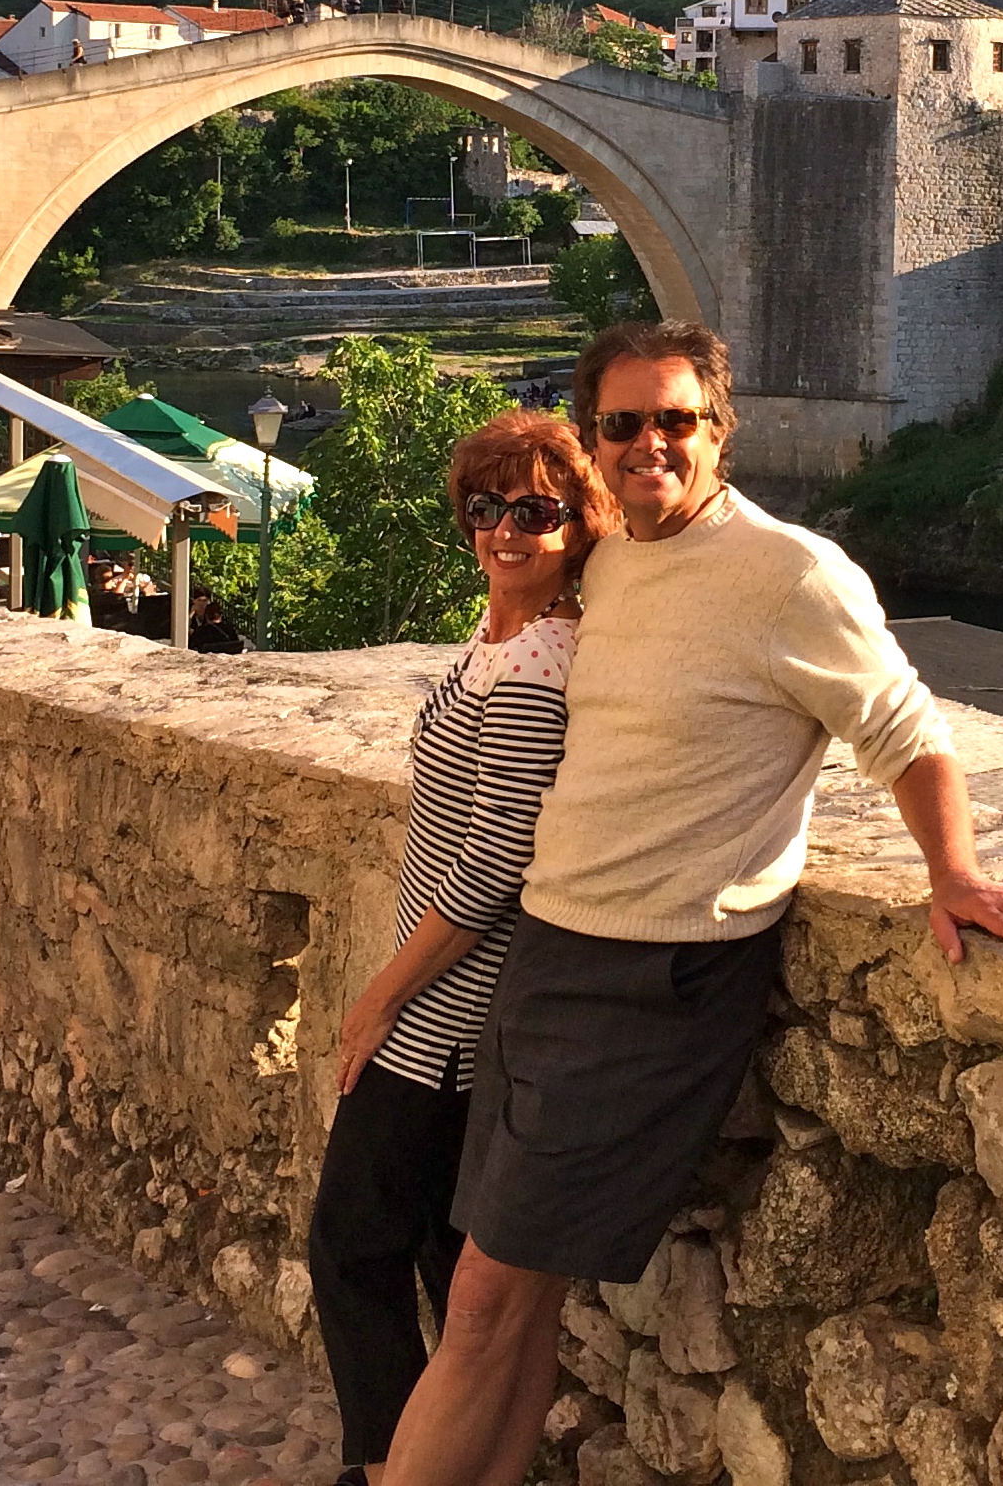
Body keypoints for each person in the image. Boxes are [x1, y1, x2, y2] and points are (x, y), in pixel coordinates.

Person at [382, 320, 1003, 1486]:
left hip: (654, 974)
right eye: (620, 423)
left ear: (719, 430)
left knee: (484, 1290)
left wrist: (949, 871)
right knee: (519, 1296)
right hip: (548, 951)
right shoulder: (603, 561)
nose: (647, 443)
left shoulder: (789, 573)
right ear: (593, 436)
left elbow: (906, 732)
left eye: (673, 420)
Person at [309, 411, 620, 1486]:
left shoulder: (537, 661)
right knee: (443, 1263)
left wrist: (378, 998)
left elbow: (494, 864)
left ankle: (386, 1468)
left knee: (352, 1246)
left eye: (535, 511)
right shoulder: (500, 635)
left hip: (443, 1021)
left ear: (579, 525)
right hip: (452, 1013)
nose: (503, 530)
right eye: (484, 507)